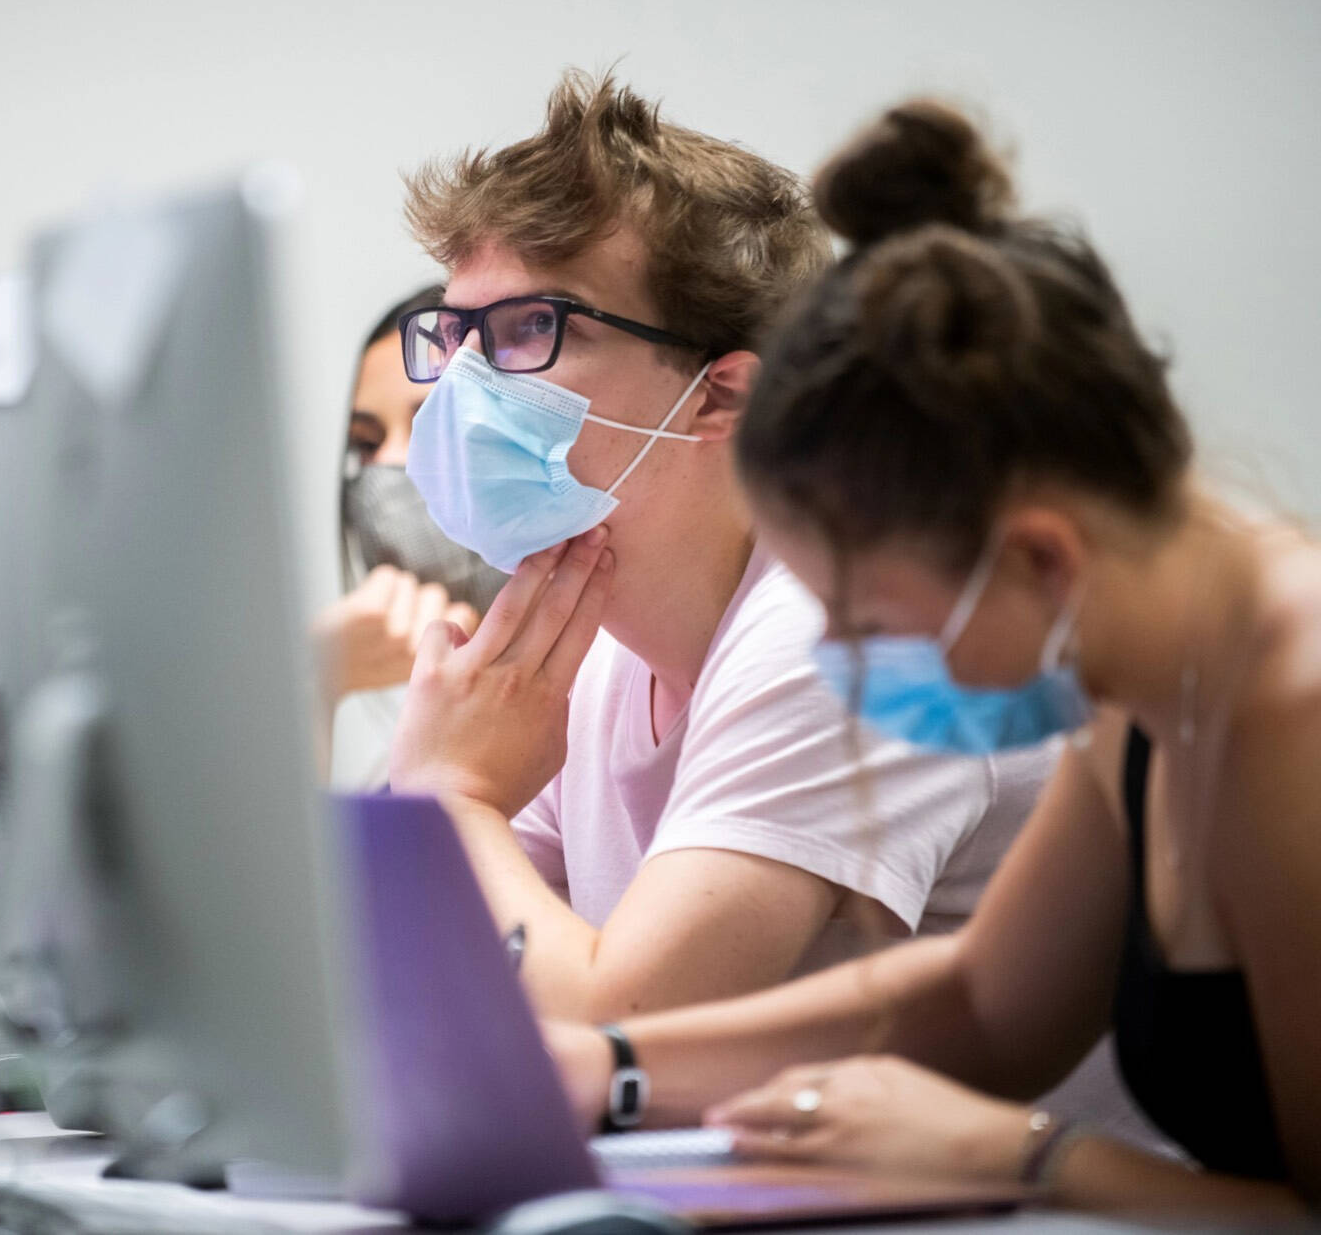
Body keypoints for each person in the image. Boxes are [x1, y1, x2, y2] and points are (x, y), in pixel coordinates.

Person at [544, 100, 1316, 1212]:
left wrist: (1024, 1152)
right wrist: (612, 1067)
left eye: (865, 622)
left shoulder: (1296, 711)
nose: (848, 665)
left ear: (1038, 559)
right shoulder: (1143, 693)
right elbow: (984, 1001)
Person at [386, 70, 1058, 1024]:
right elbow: (399, 992)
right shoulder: (591, 655)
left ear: (722, 394)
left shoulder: (848, 630)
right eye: (452, 335)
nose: (458, 384)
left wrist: (449, 794)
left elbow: (627, 1030)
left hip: (1037, 1175)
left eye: (531, 327)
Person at [316, 287, 504, 787]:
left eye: (431, 426)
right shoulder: (401, 769)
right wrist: (313, 685)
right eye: (365, 443)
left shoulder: (630, 708)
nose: (385, 472)